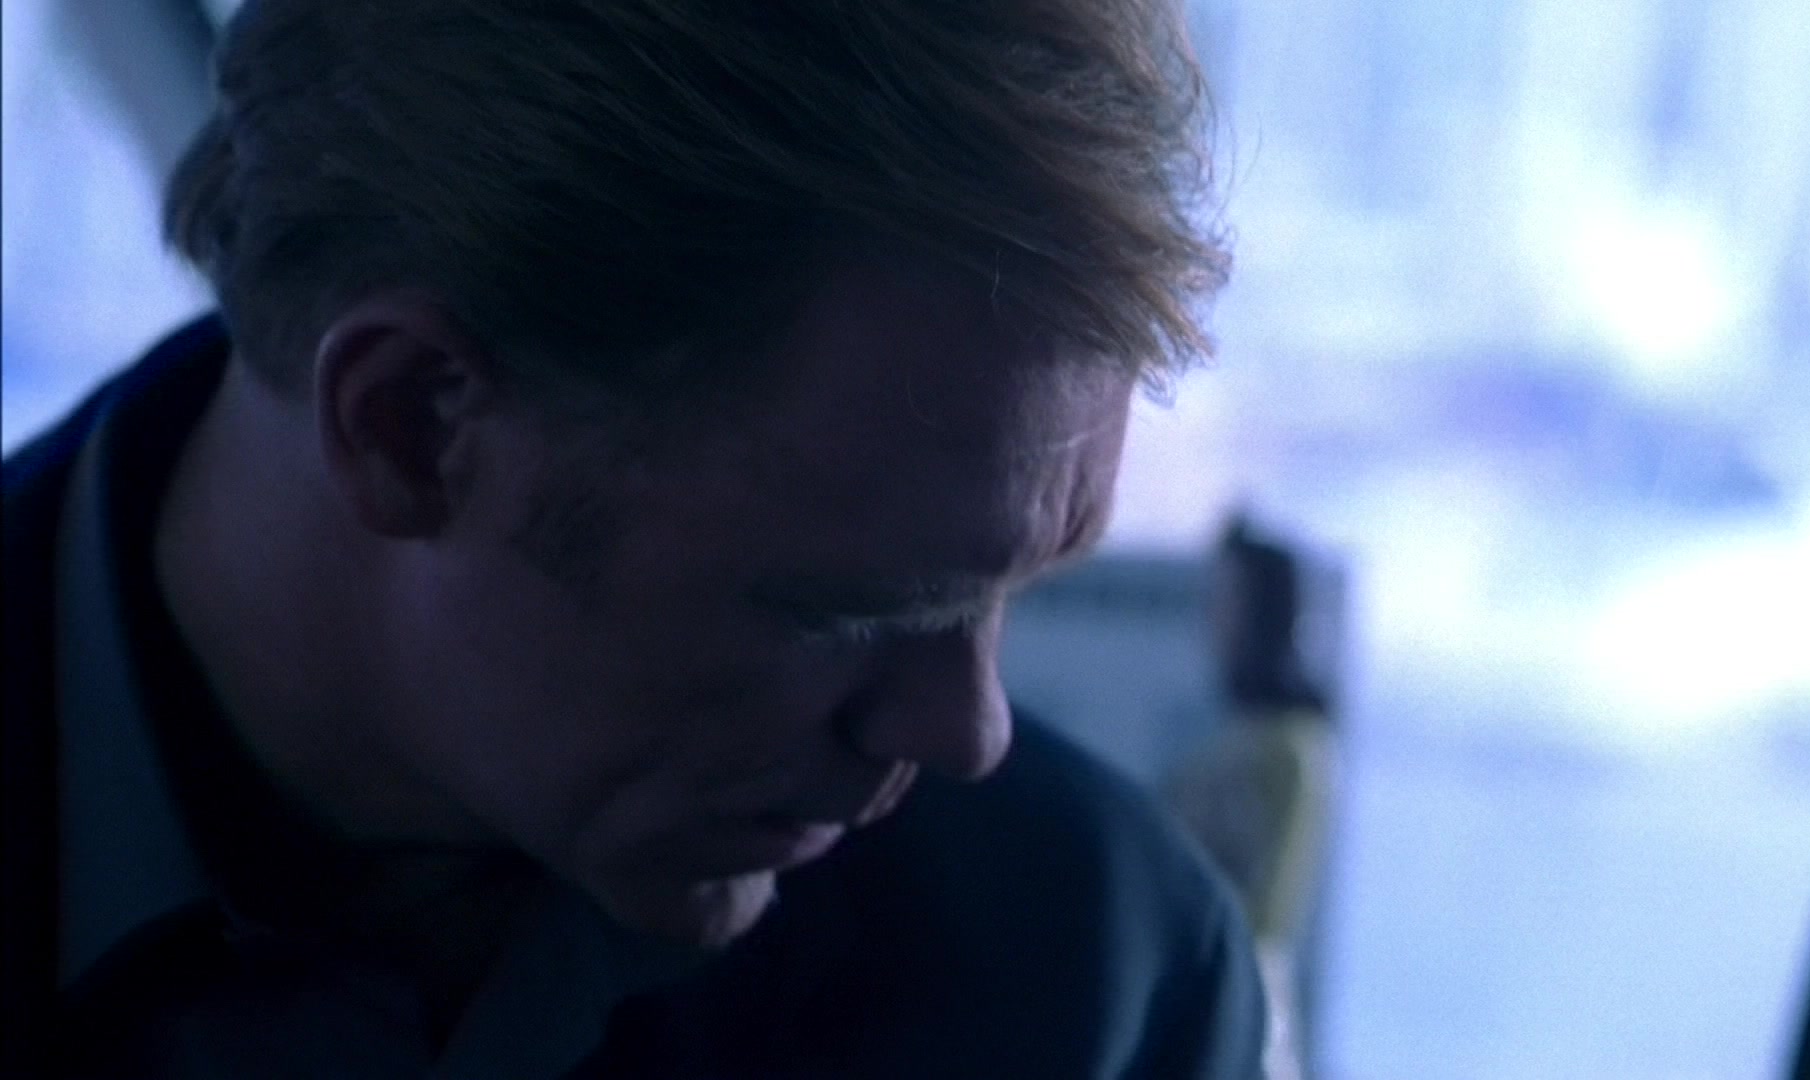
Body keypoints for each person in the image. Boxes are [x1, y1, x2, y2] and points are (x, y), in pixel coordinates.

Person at [0, 1, 1266, 1076]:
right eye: (848, 610)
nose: (966, 734)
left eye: (1011, 589)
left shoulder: (1094, 988)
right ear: (411, 424)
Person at [1162, 517, 1340, 1078]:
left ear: (1264, 612)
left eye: (1230, 599)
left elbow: (1271, 913)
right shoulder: (1227, 744)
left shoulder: (1292, 749)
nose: (1214, 618)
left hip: (1243, 1014)